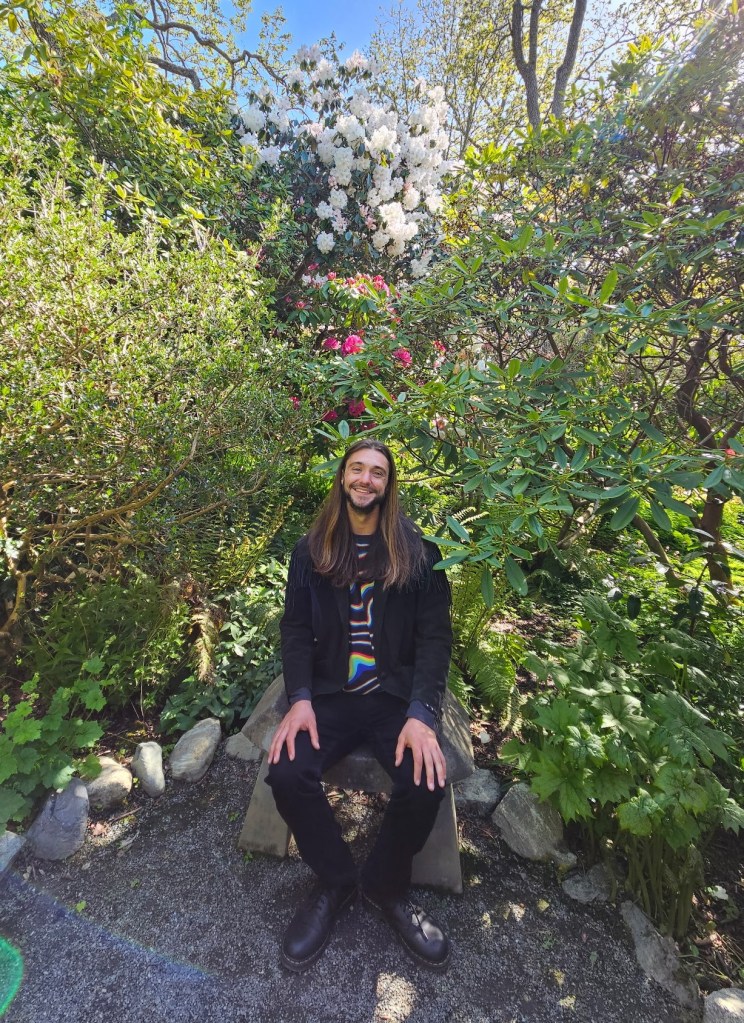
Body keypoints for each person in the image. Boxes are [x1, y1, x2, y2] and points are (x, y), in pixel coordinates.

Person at [266, 438, 453, 973]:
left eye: (378, 472)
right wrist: (300, 699)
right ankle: (336, 882)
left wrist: (422, 714)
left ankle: (385, 886)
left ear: (389, 485)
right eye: (357, 469)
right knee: (287, 771)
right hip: (331, 695)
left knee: (425, 781)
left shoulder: (420, 555)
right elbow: (295, 630)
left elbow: (435, 639)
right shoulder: (312, 551)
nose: (366, 479)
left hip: (394, 697)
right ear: (342, 477)